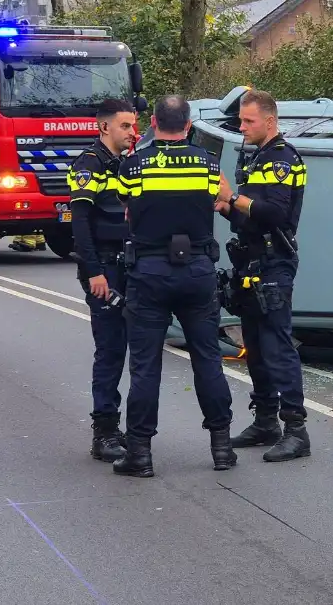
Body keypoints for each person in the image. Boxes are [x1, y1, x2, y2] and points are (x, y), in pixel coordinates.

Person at [112, 95, 236, 478]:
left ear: (152, 121)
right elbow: (225, 197)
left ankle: (140, 453)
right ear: (189, 124)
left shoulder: (134, 166)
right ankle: (222, 447)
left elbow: (124, 204)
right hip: (197, 268)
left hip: (149, 270)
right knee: (208, 359)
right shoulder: (208, 163)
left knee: (146, 366)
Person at [216, 89, 310, 462]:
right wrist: (226, 207)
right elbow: (248, 217)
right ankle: (266, 420)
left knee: (277, 345)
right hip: (252, 262)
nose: (242, 127)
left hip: (273, 264)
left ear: (270, 121)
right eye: (241, 120)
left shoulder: (282, 158)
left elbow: (274, 213)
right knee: (253, 344)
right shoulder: (259, 157)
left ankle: (296, 430)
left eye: (248, 121)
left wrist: (232, 196)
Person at [67, 99, 139, 462]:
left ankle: (125, 427)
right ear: (104, 128)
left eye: (133, 125)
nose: (131, 132)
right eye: (125, 126)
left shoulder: (127, 162)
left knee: (135, 350)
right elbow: (80, 223)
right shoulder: (88, 165)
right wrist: (93, 271)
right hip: (105, 270)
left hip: (132, 266)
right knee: (110, 351)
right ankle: (104, 431)